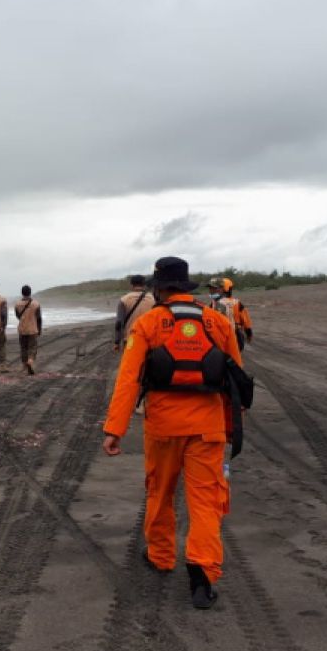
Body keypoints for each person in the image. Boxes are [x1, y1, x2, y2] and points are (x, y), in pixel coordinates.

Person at [102, 257, 244, 609]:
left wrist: (114, 429)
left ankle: (162, 556)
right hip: (207, 428)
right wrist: (229, 427)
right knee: (206, 501)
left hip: (164, 427)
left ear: (159, 288)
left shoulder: (149, 324)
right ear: (187, 288)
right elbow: (235, 382)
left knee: (160, 492)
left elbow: (128, 381)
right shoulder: (217, 323)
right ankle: (203, 574)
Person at [207, 277, 253, 350]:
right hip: (235, 335)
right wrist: (249, 334)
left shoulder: (213, 304)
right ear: (229, 289)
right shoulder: (238, 303)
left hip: (219, 336)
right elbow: (246, 321)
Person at [113, 274, 155, 353]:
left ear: (131, 285)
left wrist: (117, 341)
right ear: (144, 285)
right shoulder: (152, 299)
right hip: (148, 338)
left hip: (130, 338)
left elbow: (119, 323)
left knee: (131, 364)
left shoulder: (124, 300)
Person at [14, 285, 43, 375]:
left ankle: (24, 365)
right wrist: (39, 329)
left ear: (22, 293)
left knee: (23, 348)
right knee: (32, 347)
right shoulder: (36, 304)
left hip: (22, 329)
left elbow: (18, 316)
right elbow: (39, 318)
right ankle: (30, 361)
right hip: (33, 329)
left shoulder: (17, 304)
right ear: (30, 292)